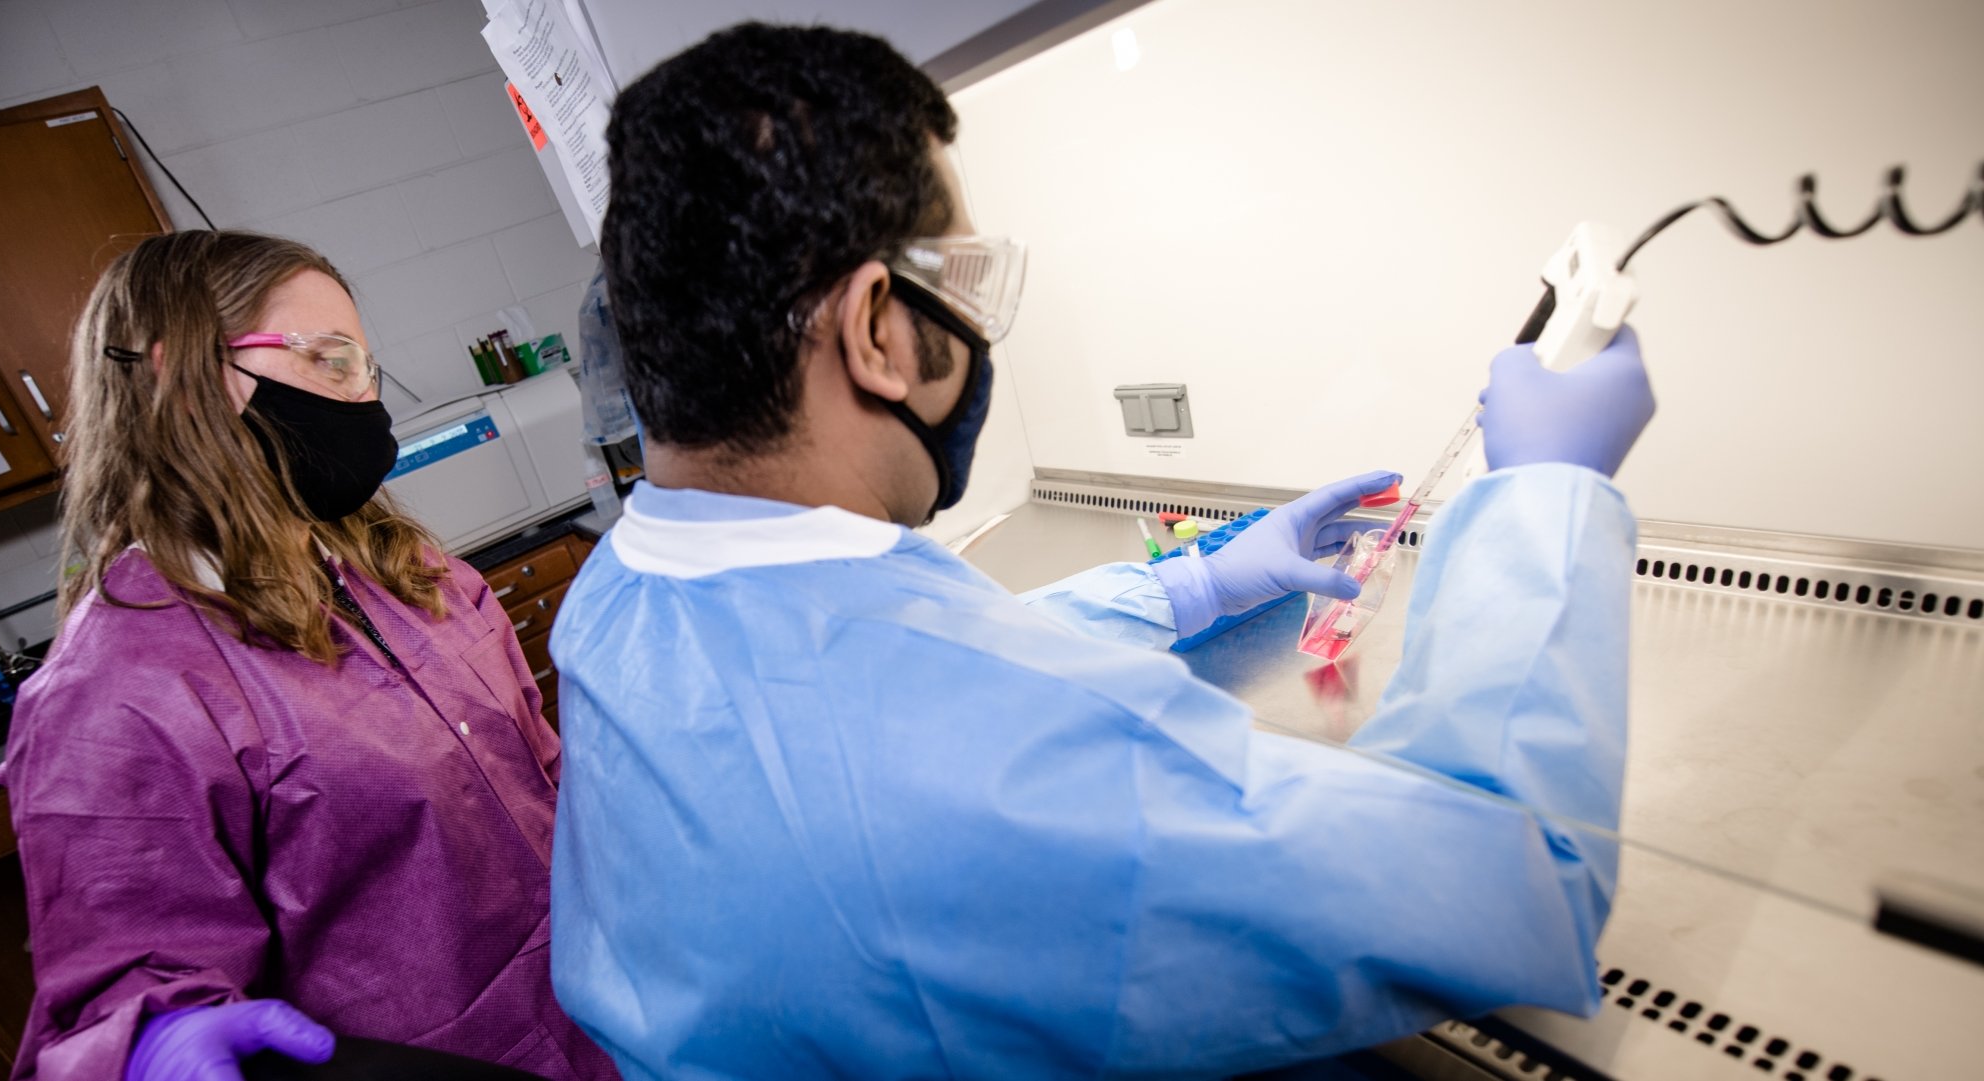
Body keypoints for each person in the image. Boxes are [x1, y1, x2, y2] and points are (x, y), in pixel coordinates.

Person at [548, 24, 1656, 1079]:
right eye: (965, 279)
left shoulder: (623, 593)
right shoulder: (998, 783)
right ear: (879, 329)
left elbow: (878, 686)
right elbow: (1514, 880)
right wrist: (1545, 492)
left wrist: (1193, 585)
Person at [2, 231, 617, 1081]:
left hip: (603, 1019)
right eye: (328, 361)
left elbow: (546, 780)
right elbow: (128, 986)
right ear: (191, 377)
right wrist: (153, 1040)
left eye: (362, 364)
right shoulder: (120, 690)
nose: (365, 398)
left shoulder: (407, 569)